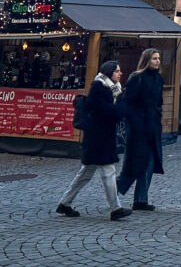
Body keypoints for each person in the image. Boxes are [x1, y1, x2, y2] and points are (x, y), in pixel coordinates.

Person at [56, 60, 131, 221]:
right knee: (108, 172)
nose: (120, 73)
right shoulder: (100, 89)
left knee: (85, 175)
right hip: (99, 138)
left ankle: (65, 203)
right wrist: (122, 104)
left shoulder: (112, 88)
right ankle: (115, 208)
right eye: (117, 71)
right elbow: (110, 113)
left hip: (99, 138)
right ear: (109, 73)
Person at [117, 48, 164, 210]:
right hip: (138, 128)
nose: (157, 61)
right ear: (147, 60)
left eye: (158, 58)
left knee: (149, 163)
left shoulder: (158, 79)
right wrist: (135, 122)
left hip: (152, 126)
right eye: (154, 59)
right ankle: (114, 190)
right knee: (135, 164)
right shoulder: (136, 78)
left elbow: (158, 102)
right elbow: (128, 102)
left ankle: (141, 200)